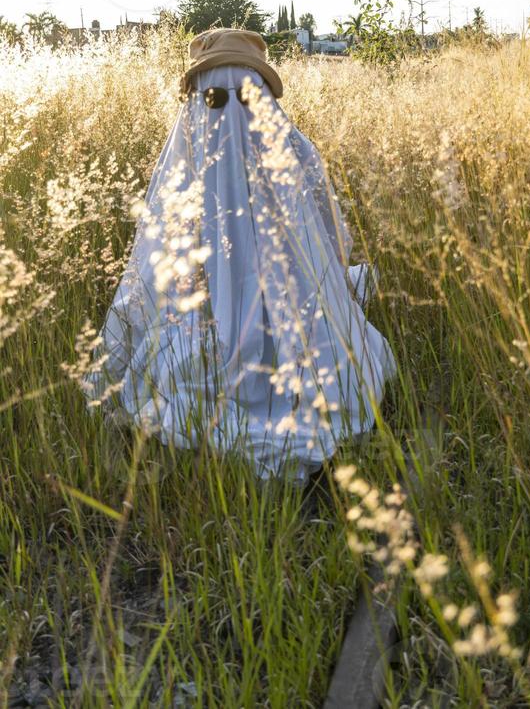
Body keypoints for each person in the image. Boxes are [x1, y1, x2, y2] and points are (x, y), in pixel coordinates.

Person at [85, 28, 396, 482]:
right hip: (204, 307)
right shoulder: (187, 161)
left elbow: (327, 239)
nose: (230, 112)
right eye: (214, 100)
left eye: (245, 97)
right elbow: (162, 257)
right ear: (195, 104)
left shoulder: (293, 152)